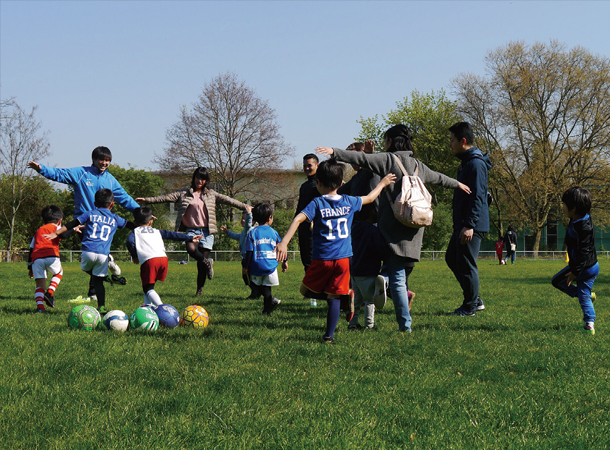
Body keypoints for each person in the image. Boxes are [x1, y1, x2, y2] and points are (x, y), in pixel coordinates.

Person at [316, 124, 470, 332]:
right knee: (402, 272)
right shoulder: (418, 165)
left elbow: (360, 159)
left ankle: (402, 322)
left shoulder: (388, 160)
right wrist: (458, 184)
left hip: (390, 231)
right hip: (415, 228)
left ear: (390, 142)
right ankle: (384, 282)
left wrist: (335, 152)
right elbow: (438, 178)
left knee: (393, 277)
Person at [276, 158, 396, 343]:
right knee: (333, 296)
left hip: (322, 259)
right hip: (344, 260)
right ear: (341, 183)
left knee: (305, 291)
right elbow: (371, 198)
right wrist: (383, 182)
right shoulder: (348, 201)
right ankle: (329, 334)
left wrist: (284, 241)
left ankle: (342, 304)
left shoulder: (317, 203)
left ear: (319, 182)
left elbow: (299, 219)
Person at [28, 146, 138, 299]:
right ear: (93, 159)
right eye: (102, 159)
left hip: (102, 224)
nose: (104, 163)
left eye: (107, 161)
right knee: (92, 260)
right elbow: (60, 174)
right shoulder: (81, 173)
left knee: (94, 260)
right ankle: (106, 264)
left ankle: (94, 291)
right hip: (83, 224)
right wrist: (41, 169)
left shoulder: (111, 180)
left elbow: (125, 199)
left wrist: (141, 213)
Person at [136, 167, 248, 296]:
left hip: (207, 231)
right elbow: (165, 198)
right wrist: (147, 200)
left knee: (200, 267)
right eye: (197, 177)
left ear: (206, 180)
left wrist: (245, 207)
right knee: (190, 249)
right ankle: (208, 262)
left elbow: (230, 200)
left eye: (203, 178)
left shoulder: (211, 194)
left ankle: (199, 290)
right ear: (194, 178)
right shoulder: (184, 193)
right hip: (191, 230)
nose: (199, 181)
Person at [45, 189, 135, 313]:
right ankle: (101, 306)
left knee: (87, 270)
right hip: (103, 254)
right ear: (112, 204)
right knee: (98, 281)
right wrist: (144, 225)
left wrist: (56, 233)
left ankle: (107, 278)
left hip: (88, 252)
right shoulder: (115, 218)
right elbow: (130, 225)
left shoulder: (90, 214)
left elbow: (72, 224)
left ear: (95, 203)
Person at [445, 122, 491, 317]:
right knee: (452, 258)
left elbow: (478, 196)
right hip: (464, 223)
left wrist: (470, 225)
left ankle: (471, 306)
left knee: (466, 263)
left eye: (452, 140)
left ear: (463, 141)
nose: (451, 144)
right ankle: (474, 299)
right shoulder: (467, 162)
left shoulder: (476, 163)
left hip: (471, 224)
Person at [126, 207, 202, 307]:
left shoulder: (135, 232)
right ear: (150, 222)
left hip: (150, 261)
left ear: (134, 222)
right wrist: (190, 238)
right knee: (148, 286)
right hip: (163, 259)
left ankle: (163, 308)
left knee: (147, 289)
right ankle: (147, 307)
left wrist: (134, 256)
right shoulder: (157, 231)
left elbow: (129, 241)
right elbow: (173, 235)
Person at [551, 187, 599, 335]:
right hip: (592, 266)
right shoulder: (580, 217)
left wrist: (574, 272)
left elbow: (583, 252)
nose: (563, 207)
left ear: (574, 208)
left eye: (564, 205)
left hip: (583, 267)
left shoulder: (582, 227)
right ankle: (589, 324)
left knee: (556, 281)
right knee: (584, 293)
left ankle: (589, 320)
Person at [243, 203, 288, 315]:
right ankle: (266, 311)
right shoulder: (274, 232)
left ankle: (268, 305)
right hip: (271, 266)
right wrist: (285, 262)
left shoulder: (252, 232)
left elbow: (249, 252)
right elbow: (282, 248)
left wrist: (245, 267)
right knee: (267, 289)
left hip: (256, 265)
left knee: (255, 286)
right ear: (269, 218)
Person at [348, 204, 386, 330]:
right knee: (370, 300)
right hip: (368, 270)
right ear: (372, 212)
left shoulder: (353, 228)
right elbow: (380, 249)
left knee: (356, 301)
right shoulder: (373, 231)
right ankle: (369, 325)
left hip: (354, 270)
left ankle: (353, 323)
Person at [27, 205, 66, 312]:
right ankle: (50, 292)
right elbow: (65, 234)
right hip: (51, 256)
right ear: (60, 221)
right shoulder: (57, 228)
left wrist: (30, 268)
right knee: (59, 272)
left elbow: (31, 249)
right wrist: (73, 229)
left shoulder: (38, 230)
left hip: (37, 259)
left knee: (40, 284)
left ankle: (40, 307)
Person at [295, 154, 321, 306]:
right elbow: (299, 209)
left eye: (310, 165)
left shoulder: (320, 184)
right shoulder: (304, 186)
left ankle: (315, 293)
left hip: (315, 229)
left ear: (317, 165)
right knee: (306, 260)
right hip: (302, 228)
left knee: (313, 260)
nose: (306, 168)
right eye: (305, 165)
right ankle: (311, 290)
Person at [221, 205, 256, 298]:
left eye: (245, 219)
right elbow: (237, 236)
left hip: (249, 257)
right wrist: (227, 232)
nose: (242, 220)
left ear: (252, 222)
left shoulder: (249, 229)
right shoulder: (244, 232)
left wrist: (249, 213)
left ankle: (255, 292)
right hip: (244, 257)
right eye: (242, 218)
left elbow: (248, 223)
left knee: (248, 276)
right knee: (246, 277)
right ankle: (255, 291)